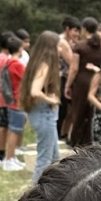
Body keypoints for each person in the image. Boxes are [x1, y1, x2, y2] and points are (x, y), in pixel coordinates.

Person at [20, 30, 62, 181]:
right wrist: (52, 100)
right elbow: (35, 91)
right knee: (44, 160)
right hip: (43, 114)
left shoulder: (36, 63)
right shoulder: (45, 66)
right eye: (58, 46)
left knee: (54, 157)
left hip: (40, 113)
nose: (60, 50)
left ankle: (51, 191)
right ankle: (34, 196)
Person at [63, 18, 101, 148]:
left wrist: (68, 85)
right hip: (95, 82)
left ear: (84, 29)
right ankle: (88, 142)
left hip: (81, 83)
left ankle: (75, 141)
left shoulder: (79, 46)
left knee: (78, 112)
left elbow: (74, 68)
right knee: (91, 114)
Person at [0, 39, 29, 172]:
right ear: (19, 49)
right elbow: (27, 77)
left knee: (15, 130)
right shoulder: (16, 64)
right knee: (14, 131)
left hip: (13, 100)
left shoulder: (9, 62)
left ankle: (12, 158)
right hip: (17, 101)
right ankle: (9, 159)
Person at [0, 33, 20, 163]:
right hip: (4, 99)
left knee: (5, 126)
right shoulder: (5, 60)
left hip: (0, 97)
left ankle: (3, 153)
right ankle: (2, 154)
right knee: (3, 127)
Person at [57, 17, 79, 142]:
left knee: (68, 111)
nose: (77, 34)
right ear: (67, 29)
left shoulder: (69, 42)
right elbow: (72, 62)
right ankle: (59, 134)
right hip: (61, 79)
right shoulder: (62, 42)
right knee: (63, 110)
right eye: (74, 31)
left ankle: (64, 134)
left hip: (65, 78)